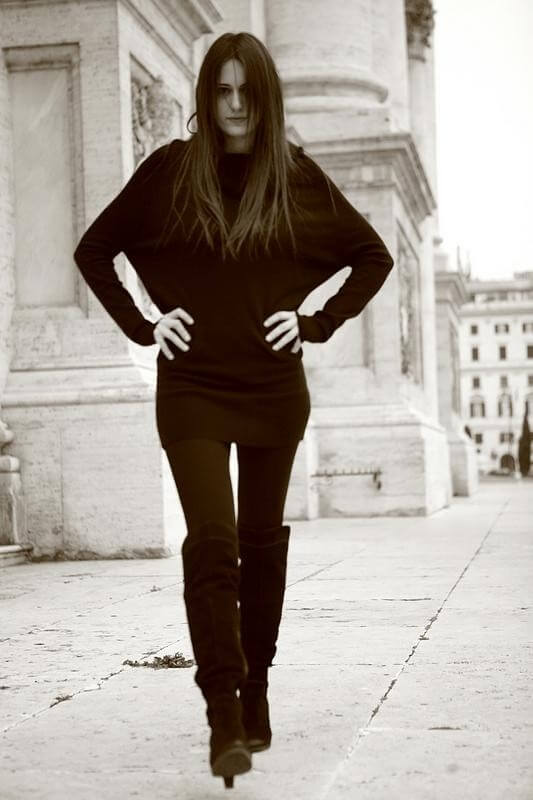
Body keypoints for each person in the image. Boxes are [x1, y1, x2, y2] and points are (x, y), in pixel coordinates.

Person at [73, 31, 394, 789]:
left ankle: (257, 688)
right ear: (206, 96)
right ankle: (222, 709)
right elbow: (94, 249)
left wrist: (313, 322)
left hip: (272, 390)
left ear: (267, 96)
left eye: (247, 91)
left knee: (261, 543)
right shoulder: (169, 172)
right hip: (191, 388)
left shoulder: (294, 176)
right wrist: (145, 325)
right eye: (221, 90)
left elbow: (372, 256)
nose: (235, 105)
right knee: (212, 543)